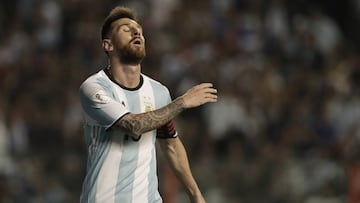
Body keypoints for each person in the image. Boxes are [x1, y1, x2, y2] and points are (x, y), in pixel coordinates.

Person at [78, 6, 217, 203]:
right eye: (126, 29)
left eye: (139, 30)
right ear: (108, 45)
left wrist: (195, 194)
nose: (136, 32)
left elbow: (170, 145)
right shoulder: (95, 87)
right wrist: (182, 102)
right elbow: (133, 126)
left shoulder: (158, 92)